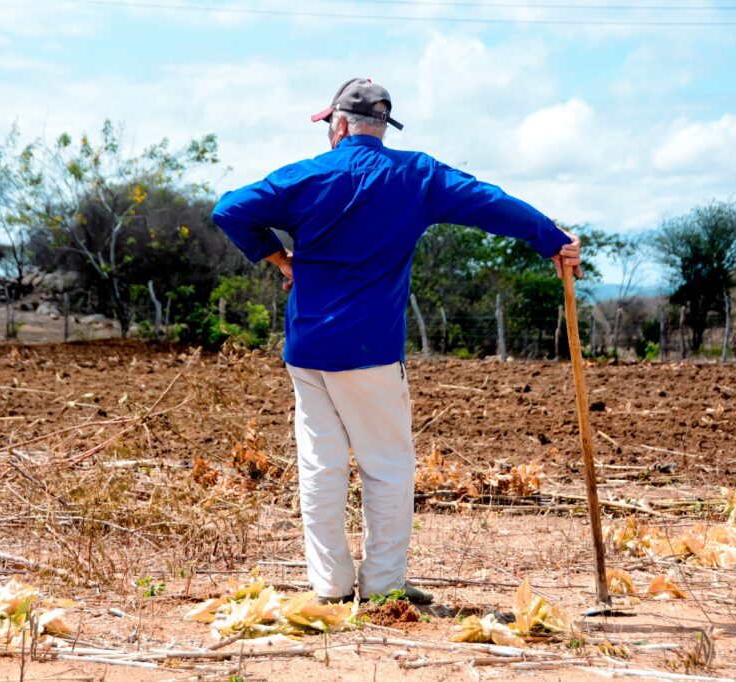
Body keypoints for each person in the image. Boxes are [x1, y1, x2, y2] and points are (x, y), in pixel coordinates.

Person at [212, 77, 582, 605]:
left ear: (337, 125)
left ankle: (331, 586)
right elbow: (491, 203)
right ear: (382, 127)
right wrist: (553, 239)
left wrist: (279, 258)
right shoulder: (417, 175)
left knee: (321, 465)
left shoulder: (306, 176)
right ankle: (383, 587)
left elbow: (229, 208)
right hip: (371, 351)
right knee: (385, 466)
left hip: (308, 349)